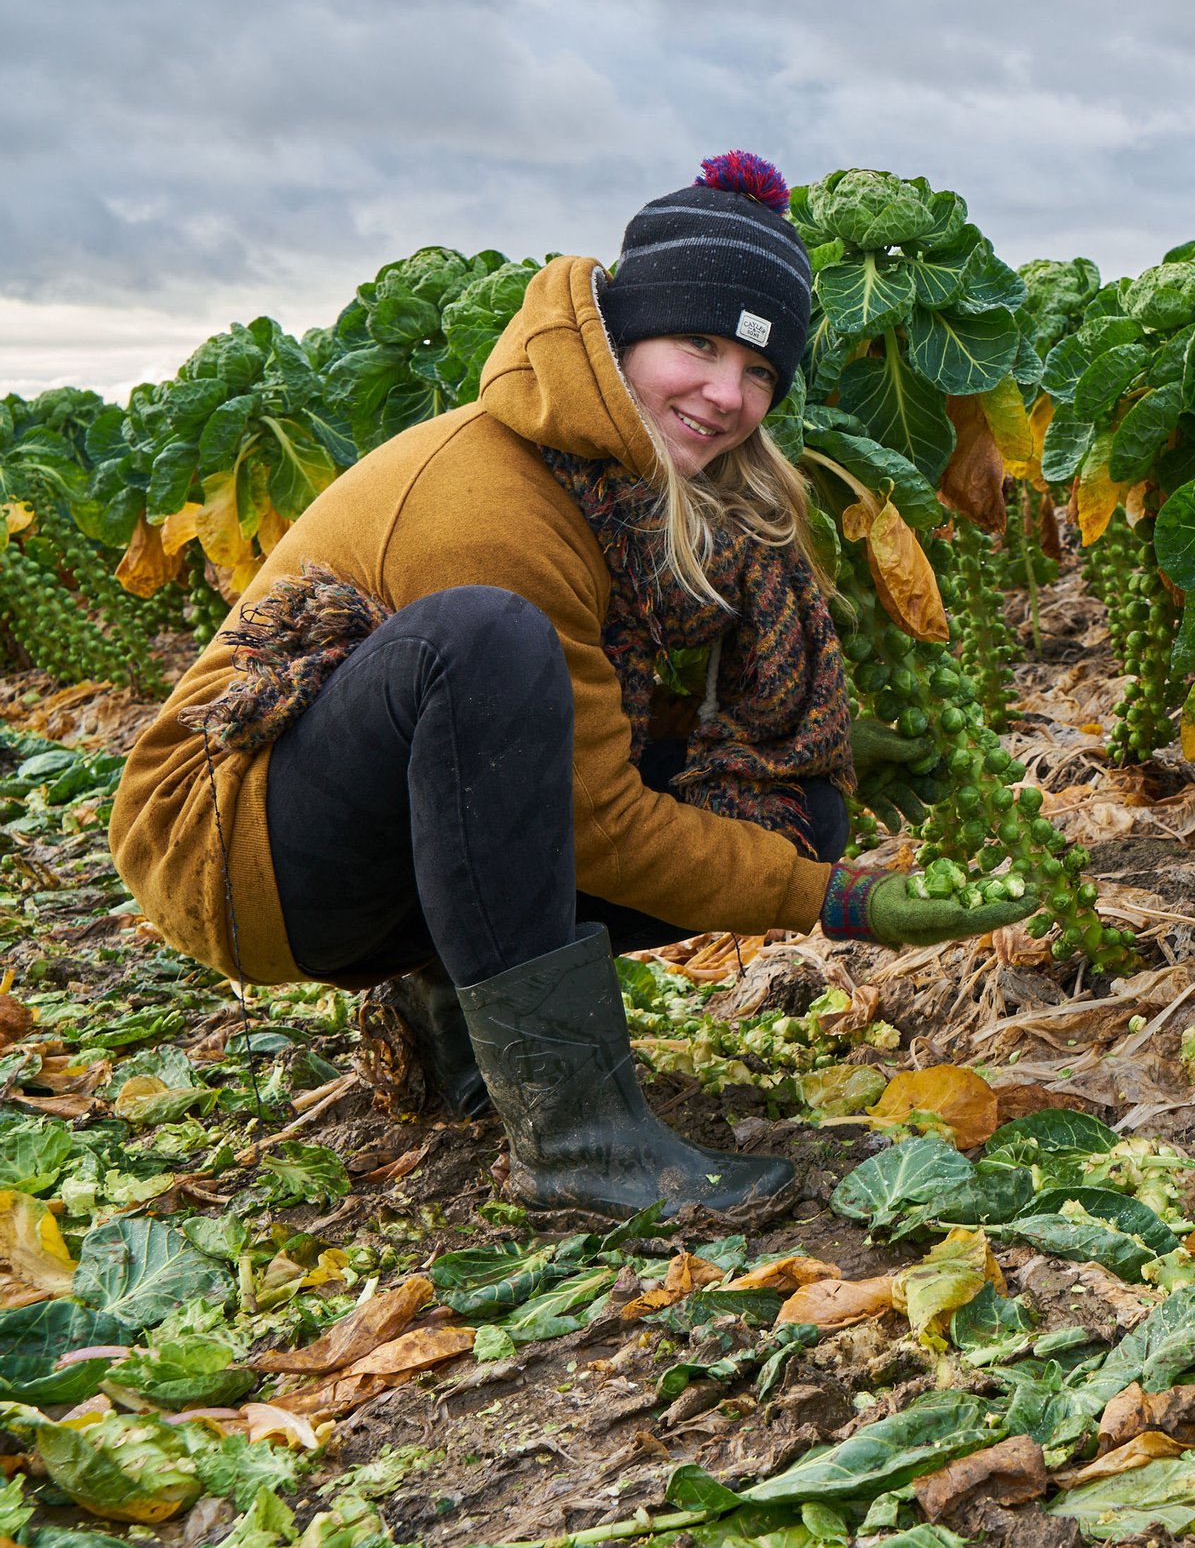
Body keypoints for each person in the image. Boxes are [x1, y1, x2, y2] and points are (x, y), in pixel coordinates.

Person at [112, 152, 1035, 1217]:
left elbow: (582, 722)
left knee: (799, 805)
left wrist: (818, 753)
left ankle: (444, 1015)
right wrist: (838, 901)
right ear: (620, 332)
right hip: (232, 850)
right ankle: (576, 1141)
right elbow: (590, 817)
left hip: (367, 828)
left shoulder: (618, 482)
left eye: (760, 373)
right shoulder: (488, 500)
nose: (726, 395)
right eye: (698, 344)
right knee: (481, 640)